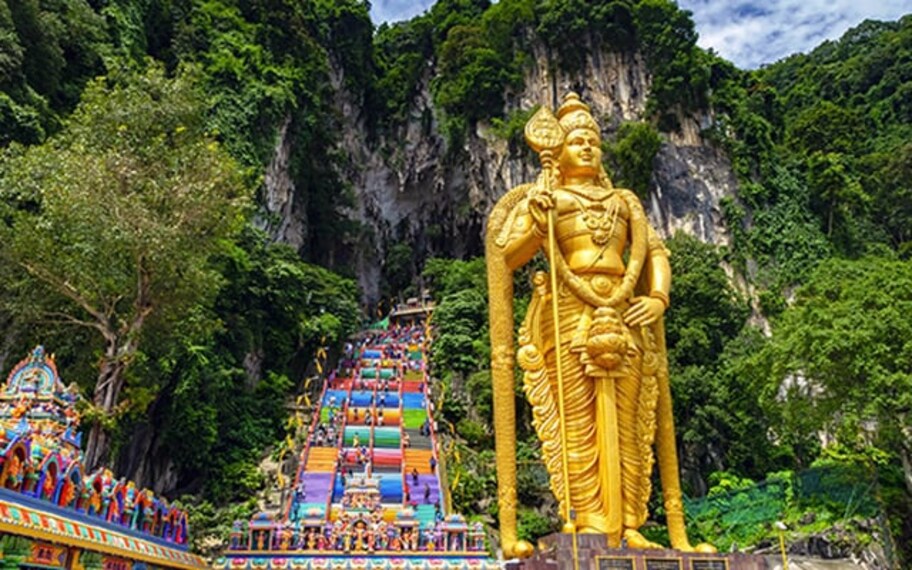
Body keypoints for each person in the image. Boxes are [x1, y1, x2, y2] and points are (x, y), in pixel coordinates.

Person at [486, 93, 711, 557]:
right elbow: (505, 257)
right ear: (559, 151)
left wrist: (657, 297)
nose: (587, 147)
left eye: (593, 140)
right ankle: (586, 519)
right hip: (569, 312)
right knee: (578, 421)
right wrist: (536, 220)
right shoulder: (549, 198)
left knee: (631, 422)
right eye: (576, 141)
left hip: (626, 309)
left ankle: (630, 523)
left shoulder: (624, 200)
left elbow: (654, 255)